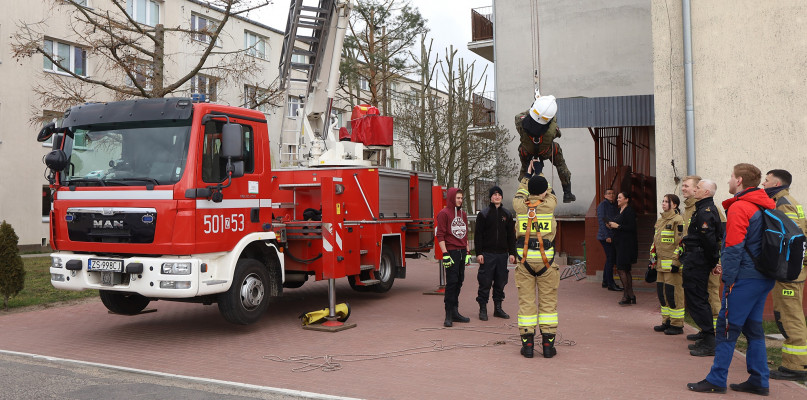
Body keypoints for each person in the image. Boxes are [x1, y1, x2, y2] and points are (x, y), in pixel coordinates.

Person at [688, 163, 776, 395]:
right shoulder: (764, 204)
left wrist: (728, 277)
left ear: (739, 181)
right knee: (753, 329)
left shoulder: (741, 207)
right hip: (763, 276)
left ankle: (717, 380)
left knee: (726, 328)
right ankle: (759, 380)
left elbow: (734, 247)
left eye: (731, 177)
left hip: (744, 278)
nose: (728, 180)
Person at [761, 169, 807, 381]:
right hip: (791, 270)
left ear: (777, 182)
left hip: (789, 272)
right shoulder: (786, 200)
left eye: (767, 180)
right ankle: (793, 364)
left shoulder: (784, 203)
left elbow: (793, 239)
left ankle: (797, 366)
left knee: (790, 317)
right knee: (787, 316)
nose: (763, 183)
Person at [513, 159, 560, 358]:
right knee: (548, 304)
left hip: (524, 264)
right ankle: (548, 347)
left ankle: (528, 346)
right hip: (546, 264)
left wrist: (528, 175)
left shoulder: (519, 206)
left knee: (526, 304)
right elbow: (549, 192)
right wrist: (540, 172)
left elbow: (520, 191)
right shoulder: (549, 205)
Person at [682, 179, 724, 357]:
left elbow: (709, 240)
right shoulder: (700, 208)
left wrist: (714, 261)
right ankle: (706, 335)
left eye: (698, 188)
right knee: (697, 296)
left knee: (697, 297)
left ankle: (710, 340)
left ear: (706, 192)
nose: (694, 190)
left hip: (698, 259)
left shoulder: (706, 211)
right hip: (695, 257)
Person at [515, 93, 576, 203]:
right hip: (546, 151)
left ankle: (523, 191)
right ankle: (567, 192)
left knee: (525, 169)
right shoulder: (552, 128)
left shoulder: (519, 121)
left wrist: (534, 107)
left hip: (527, 152)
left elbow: (519, 115)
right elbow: (558, 134)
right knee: (560, 162)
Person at [474, 186, 517, 321]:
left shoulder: (507, 214)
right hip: (487, 254)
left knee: (500, 282)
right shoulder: (484, 214)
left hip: (502, 255)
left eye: (499, 194)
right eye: (494, 194)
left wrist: (512, 253)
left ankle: (498, 308)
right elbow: (478, 235)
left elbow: (511, 236)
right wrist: (479, 253)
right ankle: (483, 308)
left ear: (502, 197)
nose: (497, 196)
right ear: (490, 197)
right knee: (485, 282)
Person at [436, 187, 472, 327]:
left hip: (462, 252)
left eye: (461, 198)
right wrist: (445, 254)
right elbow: (440, 235)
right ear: (451, 198)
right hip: (451, 252)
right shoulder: (444, 214)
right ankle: (448, 314)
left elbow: (465, 234)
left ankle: (456, 312)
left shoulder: (462, 214)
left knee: (459, 281)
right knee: (451, 283)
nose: (460, 200)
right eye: (457, 198)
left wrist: (468, 252)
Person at [651, 194, 685, 335]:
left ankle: (677, 325)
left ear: (675, 205)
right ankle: (666, 321)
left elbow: (681, 243)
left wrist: (676, 262)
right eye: (663, 201)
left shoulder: (678, 220)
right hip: (659, 265)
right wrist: (652, 259)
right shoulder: (660, 220)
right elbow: (655, 242)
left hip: (672, 266)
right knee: (662, 294)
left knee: (673, 294)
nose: (663, 204)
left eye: (667, 202)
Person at [607, 192, 638, 305]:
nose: (618, 199)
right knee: (625, 269)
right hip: (619, 244)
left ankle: (626, 295)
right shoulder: (620, 211)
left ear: (627, 199)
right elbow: (620, 226)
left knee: (621, 268)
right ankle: (631, 295)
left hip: (626, 245)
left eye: (620, 197)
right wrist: (611, 225)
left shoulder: (629, 211)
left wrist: (618, 226)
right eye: (618, 197)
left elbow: (631, 228)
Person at [597, 188, 621, 291]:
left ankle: (605, 281)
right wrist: (607, 236)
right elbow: (602, 220)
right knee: (611, 259)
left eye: (613, 193)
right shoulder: (603, 205)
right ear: (605, 195)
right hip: (605, 237)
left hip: (612, 235)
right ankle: (610, 284)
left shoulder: (613, 205)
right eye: (609, 193)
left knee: (610, 259)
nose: (611, 195)